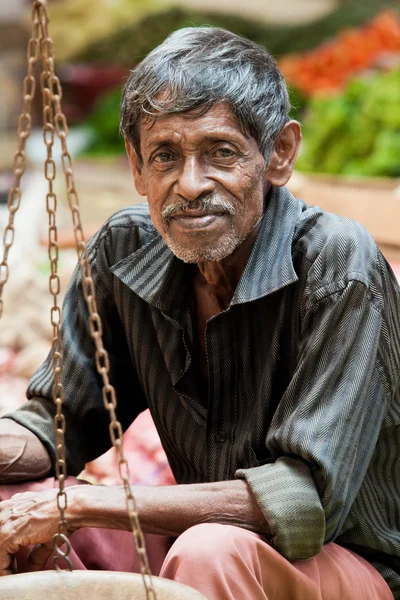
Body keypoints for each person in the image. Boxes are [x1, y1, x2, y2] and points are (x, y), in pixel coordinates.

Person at [0, 26, 399, 600]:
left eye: (221, 152)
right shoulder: (124, 251)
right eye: (165, 155)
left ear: (279, 155)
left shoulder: (337, 265)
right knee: (16, 500)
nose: (189, 185)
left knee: (210, 548)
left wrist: (83, 501)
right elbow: (57, 424)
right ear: (136, 168)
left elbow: (302, 499)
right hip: (198, 543)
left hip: (344, 566)